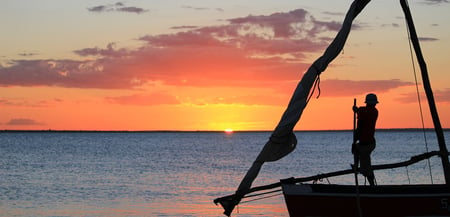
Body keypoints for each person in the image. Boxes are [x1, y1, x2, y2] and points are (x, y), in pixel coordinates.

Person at [352, 93, 378, 186]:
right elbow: (362, 111)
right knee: (356, 150)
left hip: (367, 144)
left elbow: (359, 127)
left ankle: (372, 186)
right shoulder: (371, 111)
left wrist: (354, 141)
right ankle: (356, 167)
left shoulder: (372, 112)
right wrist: (357, 111)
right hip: (366, 143)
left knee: (366, 167)